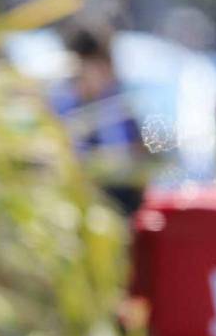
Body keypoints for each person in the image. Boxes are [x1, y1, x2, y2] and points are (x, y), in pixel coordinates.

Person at [51, 24, 147, 214]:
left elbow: (141, 156)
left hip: (119, 202)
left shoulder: (118, 103)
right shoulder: (61, 105)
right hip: (77, 204)